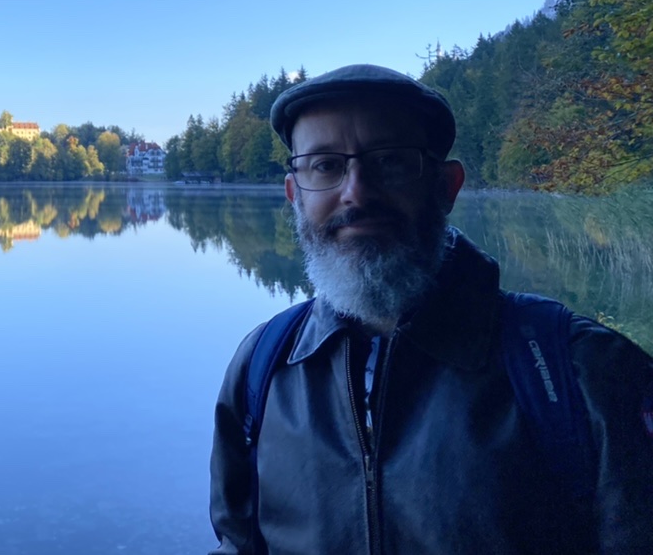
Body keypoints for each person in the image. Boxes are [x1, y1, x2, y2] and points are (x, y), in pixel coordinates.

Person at [208, 64, 653, 555]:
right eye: (325, 165)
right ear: (295, 194)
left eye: (390, 161)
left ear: (447, 186)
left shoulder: (581, 372)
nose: (356, 191)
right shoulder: (262, 368)